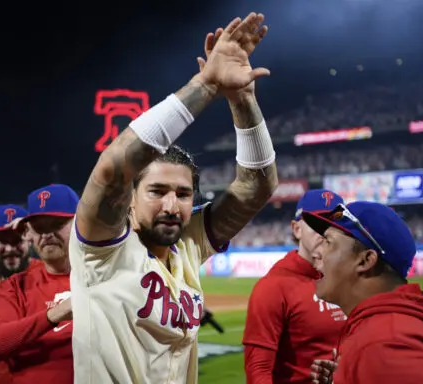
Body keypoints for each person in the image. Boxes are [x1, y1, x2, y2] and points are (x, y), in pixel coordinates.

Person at [69, 11, 278, 384]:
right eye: (157, 191)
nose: (171, 205)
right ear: (130, 198)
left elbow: (257, 186)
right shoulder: (101, 247)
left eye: (183, 194)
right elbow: (111, 169)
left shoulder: (189, 243)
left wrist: (242, 99)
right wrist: (206, 84)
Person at [302, 201, 423, 383]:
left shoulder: (387, 345)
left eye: (328, 242)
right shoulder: (393, 335)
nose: (315, 253)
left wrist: (375, 363)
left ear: (365, 260)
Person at [243, 189, 347, 384]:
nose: (326, 232)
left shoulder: (348, 279)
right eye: (318, 224)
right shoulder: (273, 287)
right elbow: (259, 369)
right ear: (296, 229)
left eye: (335, 225)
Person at [0, 184, 78, 384]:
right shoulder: (17, 285)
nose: (47, 234)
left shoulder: (101, 275)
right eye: (39, 227)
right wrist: (55, 314)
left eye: (56, 224)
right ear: (30, 233)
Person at [0, 204, 35, 384]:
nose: (10, 248)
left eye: (16, 240)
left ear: (29, 238)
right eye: (3, 241)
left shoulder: (52, 278)